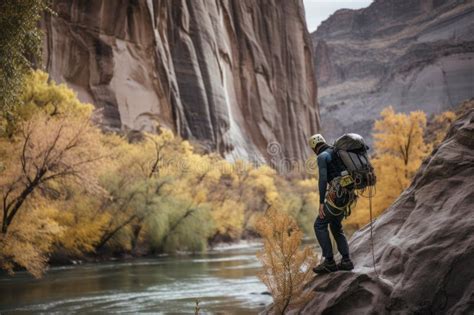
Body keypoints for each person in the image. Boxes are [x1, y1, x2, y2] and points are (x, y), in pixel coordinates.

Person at [308, 134, 354, 274]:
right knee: (335, 225)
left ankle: (329, 262)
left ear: (314, 147)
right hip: (348, 195)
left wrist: (321, 202)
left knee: (319, 224)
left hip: (337, 195)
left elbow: (322, 180)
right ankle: (346, 261)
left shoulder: (322, 157)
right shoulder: (337, 152)